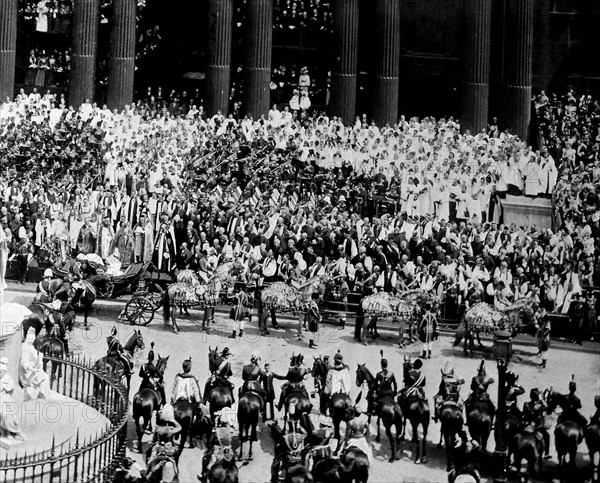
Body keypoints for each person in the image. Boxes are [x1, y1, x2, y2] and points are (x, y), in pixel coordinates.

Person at [266, 417, 307, 483]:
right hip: (298, 459)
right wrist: (300, 428)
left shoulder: (285, 437)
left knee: (275, 464)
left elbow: (281, 448)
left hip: (288, 460)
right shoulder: (300, 436)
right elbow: (306, 433)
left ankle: (274, 479)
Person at [146, 404, 180, 482]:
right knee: (176, 457)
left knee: (149, 459)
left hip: (158, 448)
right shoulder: (171, 430)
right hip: (168, 449)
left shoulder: (157, 429)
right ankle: (176, 472)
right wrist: (173, 420)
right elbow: (180, 427)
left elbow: (153, 441)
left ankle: (147, 472)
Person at [200, 411, 235, 483]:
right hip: (228, 451)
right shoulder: (230, 431)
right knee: (233, 463)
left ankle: (205, 476)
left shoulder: (216, 430)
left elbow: (210, 441)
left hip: (218, 450)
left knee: (205, 459)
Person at [20, 328, 51, 400]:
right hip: (27, 373)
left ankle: (42, 393)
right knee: (45, 377)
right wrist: (32, 369)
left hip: (32, 369)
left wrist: (40, 356)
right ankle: (43, 395)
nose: (32, 340)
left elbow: (34, 353)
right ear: (27, 337)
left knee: (45, 376)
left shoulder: (30, 346)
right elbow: (23, 363)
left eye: (33, 338)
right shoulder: (25, 348)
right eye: (30, 338)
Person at [0, 357, 25, 441]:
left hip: (6, 397)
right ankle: (7, 432)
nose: (1, 373)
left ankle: (15, 431)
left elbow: (10, 389)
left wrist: (5, 386)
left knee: (12, 412)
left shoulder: (7, 378)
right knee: (4, 413)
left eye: (2, 372)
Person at [522, 388, 551, 459]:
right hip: (538, 427)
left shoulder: (526, 404)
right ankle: (546, 453)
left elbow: (524, 415)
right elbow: (548, 408)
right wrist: (542, 400)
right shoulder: (540, 406)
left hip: (527, 426)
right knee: (547, 436)